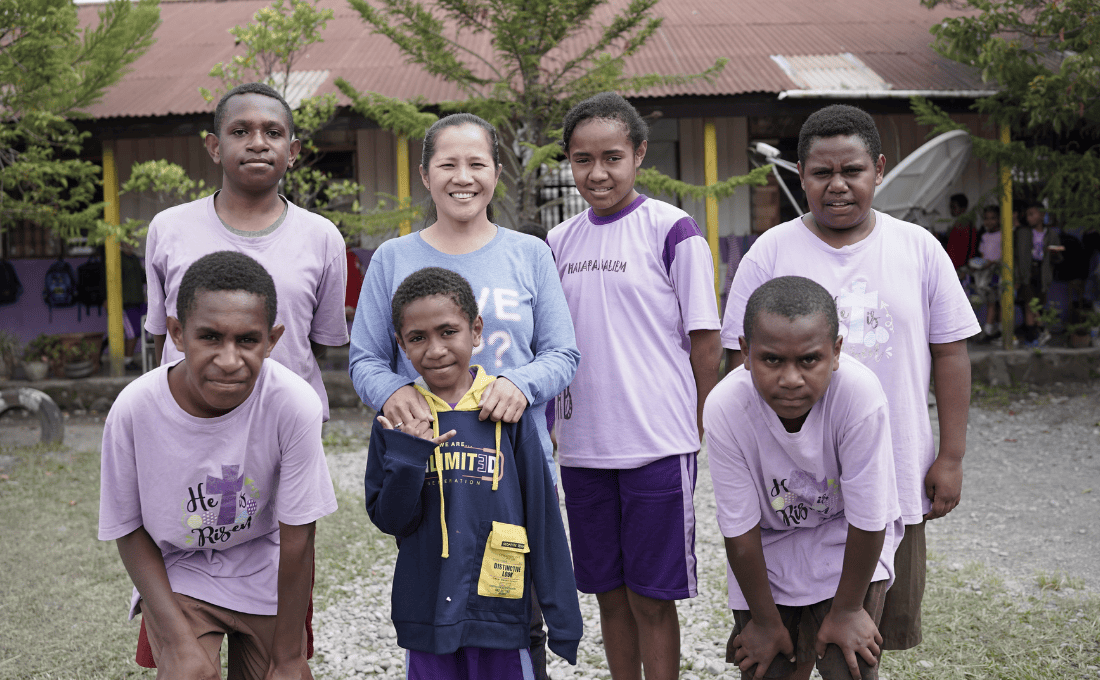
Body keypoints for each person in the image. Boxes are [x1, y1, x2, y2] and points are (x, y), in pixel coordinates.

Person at [720, 104, 980, 657]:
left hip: (894, 475)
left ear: (879, 169)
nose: (837, 186)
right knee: (778, 652)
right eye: (821, 173)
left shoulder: (918, 249)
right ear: (800, 174)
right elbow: (738, 366)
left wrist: (951, 456)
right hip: (788, 488)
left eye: (853, 171)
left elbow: (951, 353)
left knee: (862, 645)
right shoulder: (770, 252)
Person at [348, 113, 578, 679]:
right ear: (425, 175)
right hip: (433, 461)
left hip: (509, 465)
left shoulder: (529, 253)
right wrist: (396, 393)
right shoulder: (393, 258)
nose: (462, 177)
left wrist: (518, 384)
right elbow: (365, 359)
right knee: (440, 599)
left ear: (496, 172)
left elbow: (563, 354)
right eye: (447, 164)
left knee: (510, 624)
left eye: (476, 163)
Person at [547, 91, 722, 680]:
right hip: (583, 445)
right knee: (608, 593)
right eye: (581, 159)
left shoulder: (673, 231)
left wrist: (701, 423)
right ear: (568, 161)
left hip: (656, 443)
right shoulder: (557, 242)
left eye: (612, 157)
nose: (597, 173)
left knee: (653, 596)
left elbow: (705, 341)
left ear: (639, 153)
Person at [99, 251, 337, 680]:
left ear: (273, 339)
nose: (229, 360)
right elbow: (127, 528)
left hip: (264, 563)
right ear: (176, 333)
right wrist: (175, 643)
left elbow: (299, 537)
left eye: (247, 340)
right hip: (180, 568)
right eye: (210, 337)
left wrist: (287, 659)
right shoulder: (134, 409)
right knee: (189, 674)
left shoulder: (294, 404)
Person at [364, 267, 582, 679]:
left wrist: (563, 617)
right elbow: (391, 519)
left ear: (476, 330)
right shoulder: (396, 420)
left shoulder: (506, 412)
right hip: (425, 615)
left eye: (448, 331)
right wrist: (409, 455)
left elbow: (542, 518)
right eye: (417, 338)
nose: (435, 349)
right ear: (401, 345)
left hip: (501, 612)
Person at [706, 276, 903, 680]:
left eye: (809, 360)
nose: (791, 378)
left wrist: (848, 610)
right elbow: (739, 531)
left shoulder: (859, 396)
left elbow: (869, 518)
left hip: (847, 541)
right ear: (745, 352)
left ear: (835, 353)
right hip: (766, 546)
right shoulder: (726, 407)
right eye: (772, 360)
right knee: (766, 667)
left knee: (848, 664)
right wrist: (762, 622)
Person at [144, 82, 349, 420]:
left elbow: (313, 344)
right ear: (215, 147)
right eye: (240, 131)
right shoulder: (169, 229)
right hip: (189, 420)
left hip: (286, 419)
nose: (257, 143)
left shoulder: (322, 237)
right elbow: (163, 335)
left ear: (293, 151)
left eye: (273, 133)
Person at [1014, 202, 1063, 345]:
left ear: (1042, 215)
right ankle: (1041, 331)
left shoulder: (1051, 234)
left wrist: (1054, 253)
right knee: (1030, 303)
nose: (1029, 218)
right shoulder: (1023, 233)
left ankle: (1035, 335)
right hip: (1027, 272)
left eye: (1032, 214)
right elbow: (1017, 256)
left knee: (1037, 303)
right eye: (1027, 215)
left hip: (1043, 272)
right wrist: (1017, 277)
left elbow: (1058, 256)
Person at [975, 205, 1003, 341]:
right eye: (986, 219)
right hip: (986, 273)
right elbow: (982, 255)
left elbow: (1003, 256)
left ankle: (991, 330)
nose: (989, 222)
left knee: (998, 302)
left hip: (997, 272)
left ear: (999, 219)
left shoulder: (1003, 235)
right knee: (992, 302)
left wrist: (991, 263)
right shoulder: (985, 236)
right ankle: (993, 329)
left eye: (993, 218)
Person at [944, 193, 978, 272]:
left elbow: (970, 248)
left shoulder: (967, 226)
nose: (951, 210)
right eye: (950, 207)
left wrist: (965, 267)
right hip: (953, 265)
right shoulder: (956, 224)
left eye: (954, 207)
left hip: (961, 267)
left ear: (963, 208)